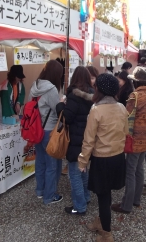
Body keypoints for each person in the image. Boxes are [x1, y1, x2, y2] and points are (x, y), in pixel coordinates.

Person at [79, 73, 127, 242]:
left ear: (98, 89)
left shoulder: (96, 109)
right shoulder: (121, 107)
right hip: (118, 157)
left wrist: (82, 161)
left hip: (102, 159)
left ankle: (106, 233)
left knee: (103, 195)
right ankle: (101, 221)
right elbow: (125, 132)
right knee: (106, 194)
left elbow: (89, 139)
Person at [111, 66, 146, 214]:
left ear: (136, 82)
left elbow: (125, 117)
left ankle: (126, 205)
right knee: (139, 170)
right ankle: (136, 200)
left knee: (130, 171)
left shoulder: (135, 97)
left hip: (134, 139)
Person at [56, 66, 94, 215]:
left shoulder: (73, 96)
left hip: (76, 139)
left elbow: (67, 118)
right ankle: (85, 197)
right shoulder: (93, 95)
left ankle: (79, 206)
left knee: (74, 173)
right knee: (84, 170)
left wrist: (60, 105)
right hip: (88, 139)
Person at [29, 60, 63, 204]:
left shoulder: (35, 85)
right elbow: (57, 110)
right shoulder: (51, 89)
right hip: (49, 130)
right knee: (52, 165)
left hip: (37, 129)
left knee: (40, 162)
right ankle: (49, 196)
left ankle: (40, 191)